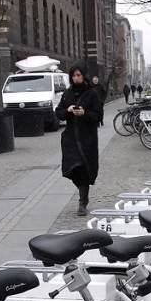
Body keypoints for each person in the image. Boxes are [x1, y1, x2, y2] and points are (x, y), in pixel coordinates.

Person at [57, 63, 102, 217]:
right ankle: (83, 193)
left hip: (86, 138)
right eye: (73, 75)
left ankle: (82, 202)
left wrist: (85, 113)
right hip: (70, 139)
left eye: (78, 75)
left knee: (83, 169)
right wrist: (68, 111)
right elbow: (58, 113)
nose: (76, 78)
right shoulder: (67, 93)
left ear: (83, 76)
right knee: (72, 168)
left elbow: (98, 115)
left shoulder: (92, 94)